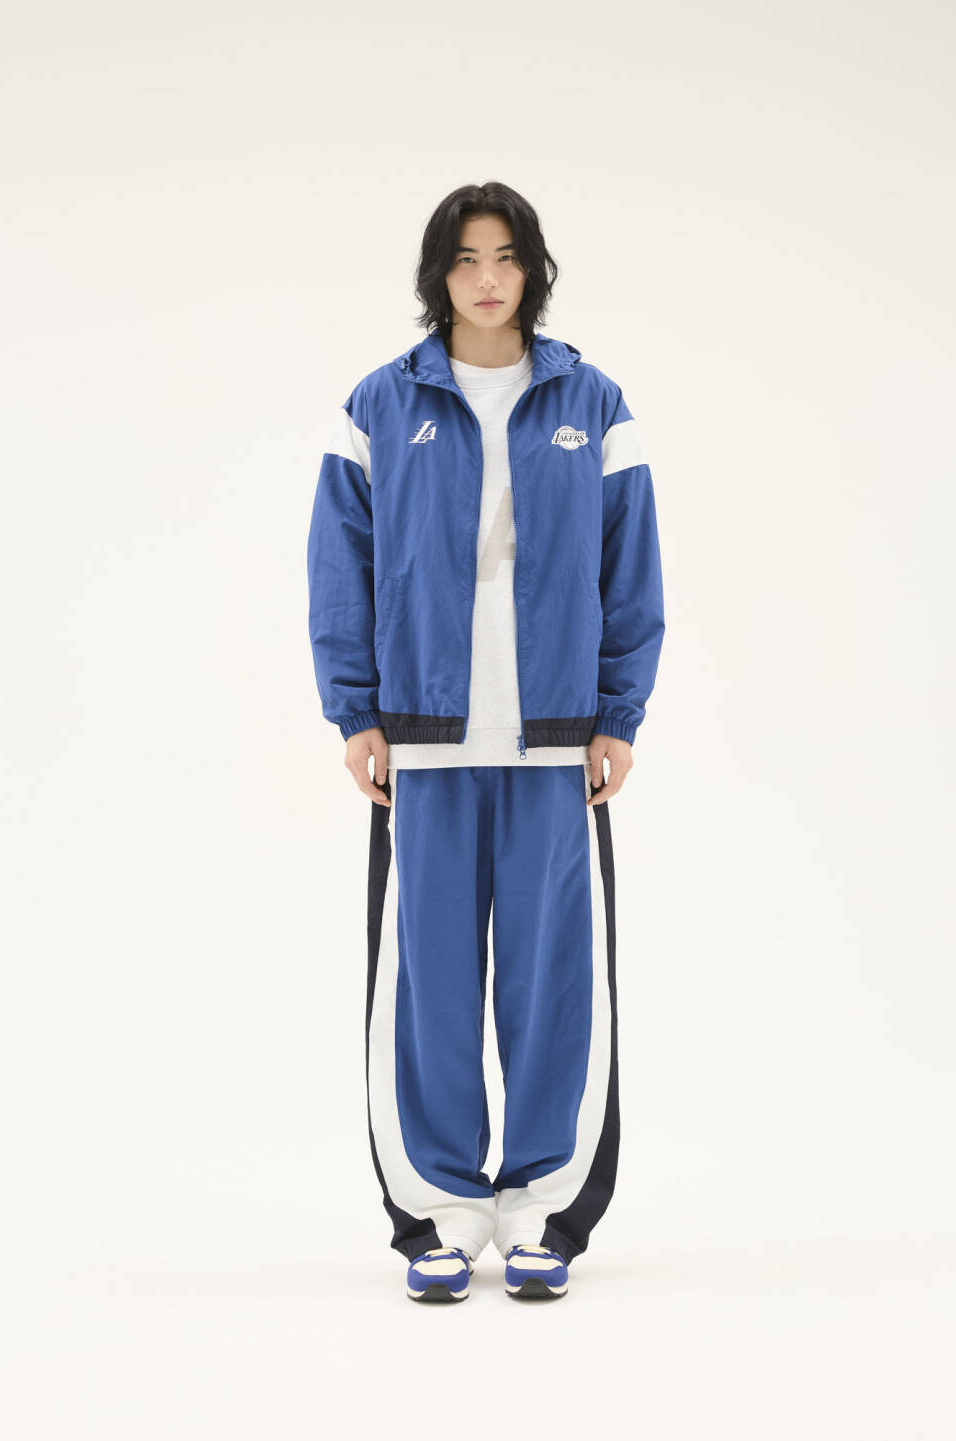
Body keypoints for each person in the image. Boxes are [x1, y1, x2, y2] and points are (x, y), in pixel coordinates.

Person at [306, 181, 665, 1302]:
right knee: (429, 985)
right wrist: (356, 711)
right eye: (466, 258)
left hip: (557, 741)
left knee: (556, 983)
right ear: (439, 274)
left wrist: (618, 716)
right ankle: (443, 1212)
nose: (488, 278)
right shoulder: (380, 403)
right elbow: (340, 565)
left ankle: (542, 1208)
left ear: (533, 268)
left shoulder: (593, 402)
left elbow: (632, 568)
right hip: (424, 740)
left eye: (506, 256)